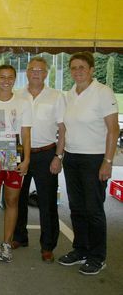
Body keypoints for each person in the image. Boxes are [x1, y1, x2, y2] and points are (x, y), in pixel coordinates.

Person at [58, 52, 118, 275]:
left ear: (91, 70)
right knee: (77, 208)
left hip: (94, 159)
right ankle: (80, 249)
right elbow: (64, 128)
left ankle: (97, 256)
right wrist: (61, 155)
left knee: (93, 210)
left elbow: (113, 129)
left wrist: (108, 161)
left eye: (82, 67)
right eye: (74, 68)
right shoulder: (70, 94)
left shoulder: (103, 92)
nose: (77, 71)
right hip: (72, 158)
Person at [12, 57, 65, 263]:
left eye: (40, 70)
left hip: (46, 154)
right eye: (32, 69)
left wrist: (58, 157)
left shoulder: (56, 96)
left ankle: (48, 246)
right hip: (20, 153)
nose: (36, 73)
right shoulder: (17, 96)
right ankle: (19, 237)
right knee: (16, 198)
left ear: (46, 73)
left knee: (47, 203)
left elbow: (62, 129)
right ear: (26, 72)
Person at [0, 64, 32, 263]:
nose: (6, 81)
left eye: (10, 77)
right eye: (2, 77)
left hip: (15, 158)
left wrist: (27, 159)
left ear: (15, 79)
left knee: (12, 201)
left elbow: (26, 133)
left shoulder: (23, 102)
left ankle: (7, 244)